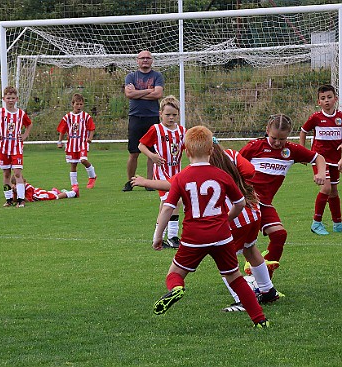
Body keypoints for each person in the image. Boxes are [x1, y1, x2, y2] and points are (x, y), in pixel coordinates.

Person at [132, 139, 280, 312]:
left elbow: (172, 185)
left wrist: (145, 181)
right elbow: (251, 172)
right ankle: (268, 290)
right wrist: (237, 181)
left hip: (229, 218)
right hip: (252, 213)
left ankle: (242, 300)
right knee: (250, 249)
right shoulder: (231, 154)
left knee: (228, 264)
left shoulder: (200, 169)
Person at [239, 114, 326, 278]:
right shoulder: (255, 146)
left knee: (279, 235)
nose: (278, 143)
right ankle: (247, 280)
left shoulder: (291, 150)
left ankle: (264, 280)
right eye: (274, 138)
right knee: (240, 243)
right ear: (267, 130)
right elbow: (233, 163)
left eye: (282, 139)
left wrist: (321, 173)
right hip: (245, 202)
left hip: (263, 204)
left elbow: (318, 157)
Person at [138, 95, 186, 248]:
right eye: (167, 115)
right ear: (160, 114)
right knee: (174, 201)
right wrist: (152, 155)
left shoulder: (182, 131)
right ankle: (171, 236)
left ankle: (162, 237)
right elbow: (141, 146)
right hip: (162, 174)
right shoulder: (156, 129)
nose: (171, 118)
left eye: (174, 115)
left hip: (176, 173)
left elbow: (187, 148)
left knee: (167, 204)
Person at [299, 84, 342, 235]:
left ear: (335, 99)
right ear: (319, 102)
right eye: (323, 98)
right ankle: (316, 223)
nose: (327, 101)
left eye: (329, 97)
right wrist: (303, 152)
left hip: (335, 160)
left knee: (334, 191)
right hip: (320, 159)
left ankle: (338, 223)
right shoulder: (316, 118)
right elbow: (303, 131)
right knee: (326, 188)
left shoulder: (340, 117)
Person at [122, 50, 164, 192]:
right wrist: (147, 91)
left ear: (152, 60)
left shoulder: (157, 76)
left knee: (152, 153)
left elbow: (158, 94)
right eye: (142, 58)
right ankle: (130, 182)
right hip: (135, 117)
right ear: (137, 60)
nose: (145, 60)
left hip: (152, 117)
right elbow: (129, 94)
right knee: (134, 152)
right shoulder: (131, 76)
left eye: (148, 58)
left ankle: (149, 183)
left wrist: (137, 93)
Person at [0, 86, 33, 208]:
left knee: (17, 173)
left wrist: (25, 135)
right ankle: (9, 199)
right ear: (4, 99)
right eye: (8, 98)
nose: (10, 100)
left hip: (16, 147)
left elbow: (29, 124)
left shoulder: (20, 114)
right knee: (6, 174)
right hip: (3, 148)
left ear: (16, 99)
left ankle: (21, 200)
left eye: (13, 98)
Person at [57, 93, 97, 190]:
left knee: (83, 160)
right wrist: (60, 141)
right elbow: (62, 130)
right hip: (71, 144)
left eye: (81, 104)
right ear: (72, 104)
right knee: (73, 164)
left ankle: (92, 176)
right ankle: (74, 184)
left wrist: (90, 138)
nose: (79, 106)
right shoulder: (67, 117)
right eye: (77, 104)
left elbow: (92, 128)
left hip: (82, 143)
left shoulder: (86, 116)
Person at [11, 175, 79, 202]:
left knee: (55, 197)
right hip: (36, 192)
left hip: (37, 196)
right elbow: (15, 200)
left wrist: (19, 194)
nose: (15, 186)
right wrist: (14, 192)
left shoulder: (28, 187)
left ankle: (73, 193)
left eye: (16, 184)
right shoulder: (16, 189)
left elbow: (29, 200)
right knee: (51, 193)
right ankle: (55, 191)